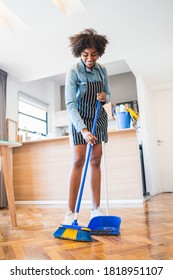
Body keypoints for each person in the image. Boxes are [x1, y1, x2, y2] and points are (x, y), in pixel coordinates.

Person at [63, 28, 111, 225]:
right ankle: (70, 212)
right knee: (78, 160)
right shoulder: (73, 72)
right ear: (79, 54)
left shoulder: (103, 70)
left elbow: (108, 94)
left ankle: (95, 210)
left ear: (99, 52)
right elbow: (70, 104)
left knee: (95, 161)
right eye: (85, 55)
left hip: (98, 117)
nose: (90, 59)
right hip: (79, 119)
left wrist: (105, 97)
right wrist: (83, 130)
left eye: (94, 54)